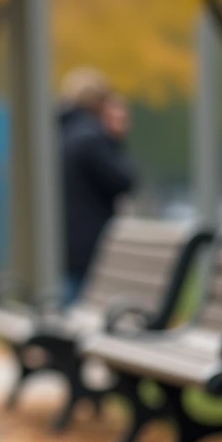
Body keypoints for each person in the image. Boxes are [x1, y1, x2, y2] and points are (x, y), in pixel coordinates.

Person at [58, 67, 138, 307]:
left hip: (65, 239)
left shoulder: (61, 131)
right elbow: (124, 180)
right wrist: (115, 139)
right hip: (88, 242)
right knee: (78, 304)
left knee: (70, 301)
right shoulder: (90, 138)